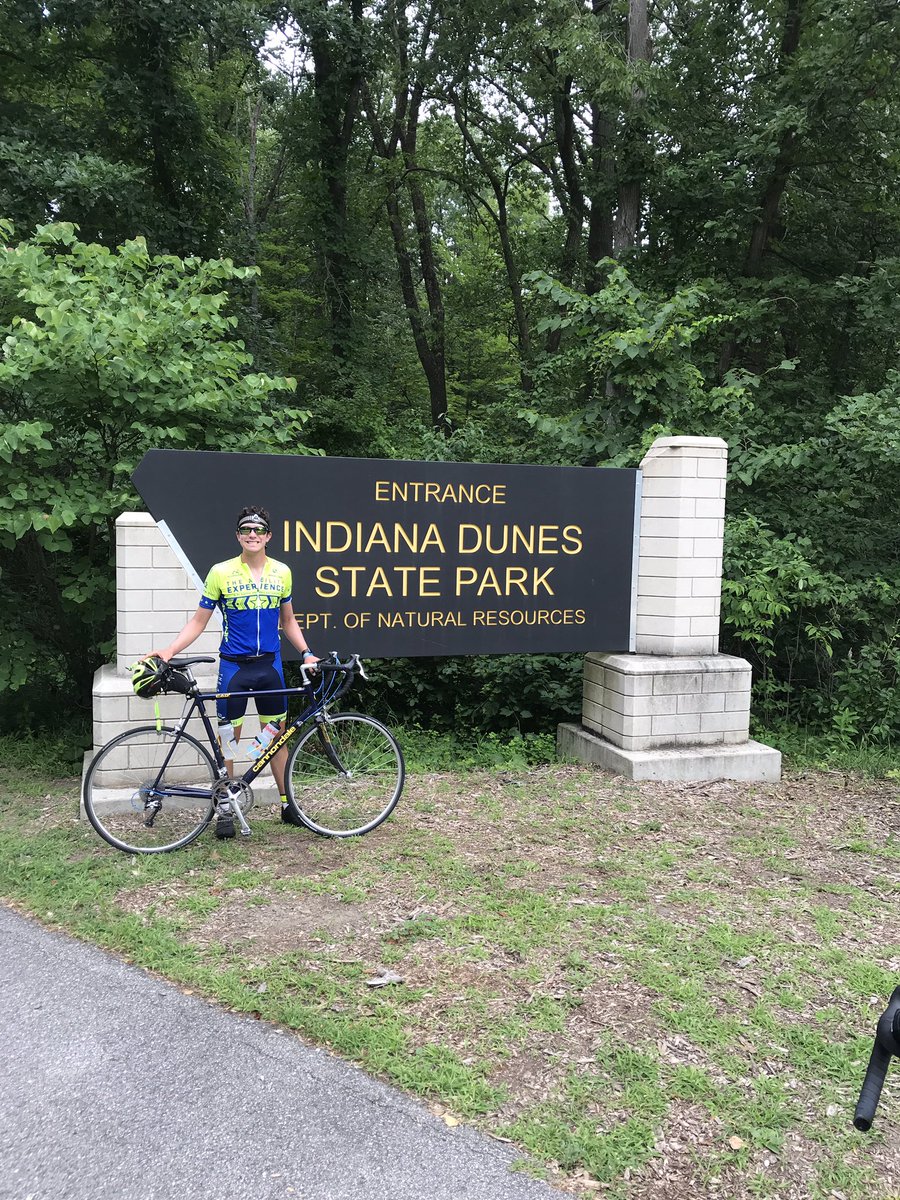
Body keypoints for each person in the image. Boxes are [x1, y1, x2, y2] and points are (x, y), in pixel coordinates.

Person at [152, 505, 318, 838]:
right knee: (229, 741)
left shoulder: (282, 572)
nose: (252, 535)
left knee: (277, 737)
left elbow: (288, 622)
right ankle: (226, 806)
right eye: (246, 530)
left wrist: (307, 652)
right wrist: (170, 650)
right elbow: (199, 622)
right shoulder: (220, 572)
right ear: (238, 535)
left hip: (269, 667)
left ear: (268, 536)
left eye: (258, 530)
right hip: (234, 669)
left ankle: (288, 805)